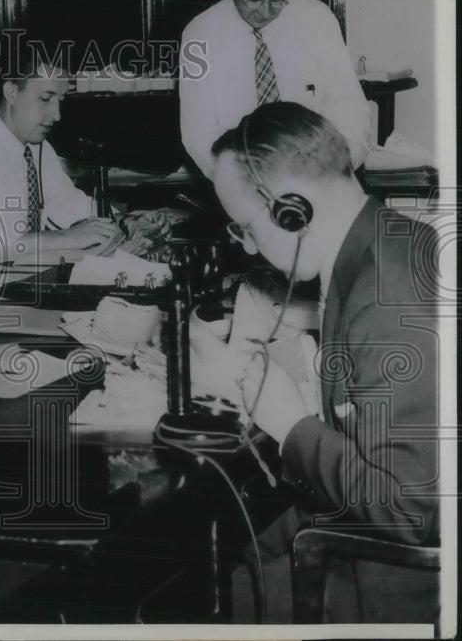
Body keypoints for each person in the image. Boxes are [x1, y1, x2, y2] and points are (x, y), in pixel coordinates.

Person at [190, 101, 440, 623]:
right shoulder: (379, 244)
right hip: (352, 538)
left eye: (243, 227)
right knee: (231, 563)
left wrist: (287, 422)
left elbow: (405, 510)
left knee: (197, 594)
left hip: (391, 586)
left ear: (292, 209)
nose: (247, 246)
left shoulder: (384, 294)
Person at [179, 0, 370, 177]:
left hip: (316, 173)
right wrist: (238, 182)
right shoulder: (198, 34)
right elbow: (198, 131)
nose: (266, 12)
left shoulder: (318, 19)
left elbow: (348, 104)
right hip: (240, 178)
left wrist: (340, 164)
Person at [0, 45, 167, 263]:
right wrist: (65, 237)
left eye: (60, 101)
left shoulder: (38, 149)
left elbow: (69, 205)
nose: (57, 115)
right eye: (45, 98)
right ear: (11, 92)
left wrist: (127, 220)